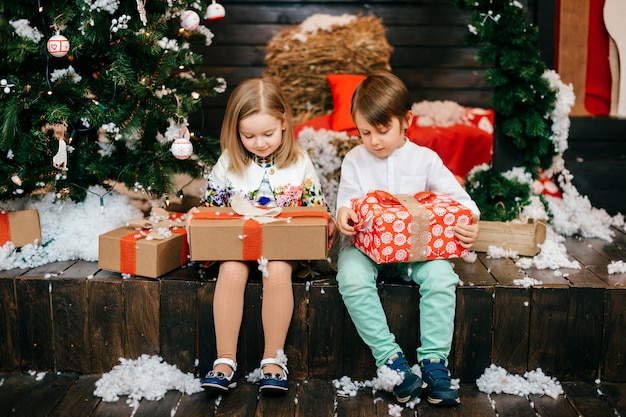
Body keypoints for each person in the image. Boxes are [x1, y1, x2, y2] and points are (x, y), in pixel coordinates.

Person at [334, 70, 480, 406]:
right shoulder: (355, 159)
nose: (374, 140)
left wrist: (471, 223)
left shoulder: (425, 160)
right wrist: (344, 216)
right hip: (366, 249)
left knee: (442, 276)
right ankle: (391, 361)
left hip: (419, 250)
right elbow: (345, 202)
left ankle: (433, 363)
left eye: (383, 130)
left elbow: (462, 203)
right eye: (365, 132)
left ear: (407, 121)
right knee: (351, 278)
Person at [194, 76, 335, 394]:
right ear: (236, 131)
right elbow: (212, 207)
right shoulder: (228, 162)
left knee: (279, 268)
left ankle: (273, 360)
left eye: (267, 134)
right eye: (249, 136)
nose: (259, 143)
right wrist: (199, 214)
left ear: (283, 123)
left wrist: (326, 222)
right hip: (237, 247)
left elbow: (316, 208)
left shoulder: (298, 161)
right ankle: (224, 362)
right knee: (230, 269)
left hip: (283, 248)